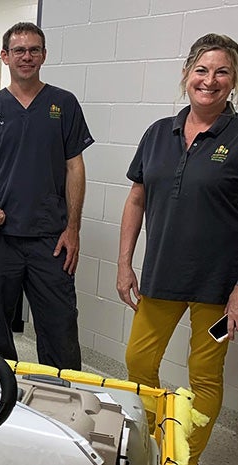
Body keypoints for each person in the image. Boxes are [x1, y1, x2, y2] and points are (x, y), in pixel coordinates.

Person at [117, 33, 238, 465]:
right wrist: (124, 263)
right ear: (186, 74)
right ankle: (154, 439)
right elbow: (136, 198)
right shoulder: (157, 133)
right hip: (162, 275)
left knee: (205, 376)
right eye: (202, 70)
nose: (210, 80)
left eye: (222, 71)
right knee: (138, 361)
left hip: (219, 288)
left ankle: (183, 456)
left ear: (233, 80)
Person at [0, 22, 93, 370]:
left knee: (60, 330)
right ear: (5, 57)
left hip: (50, 239)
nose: (26, 57)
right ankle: (4, 398)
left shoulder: (64, 104)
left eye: (34, 50)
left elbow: (75, 168)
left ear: (44, 55)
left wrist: (73, 229)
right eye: (19, 50)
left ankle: (62, 400)